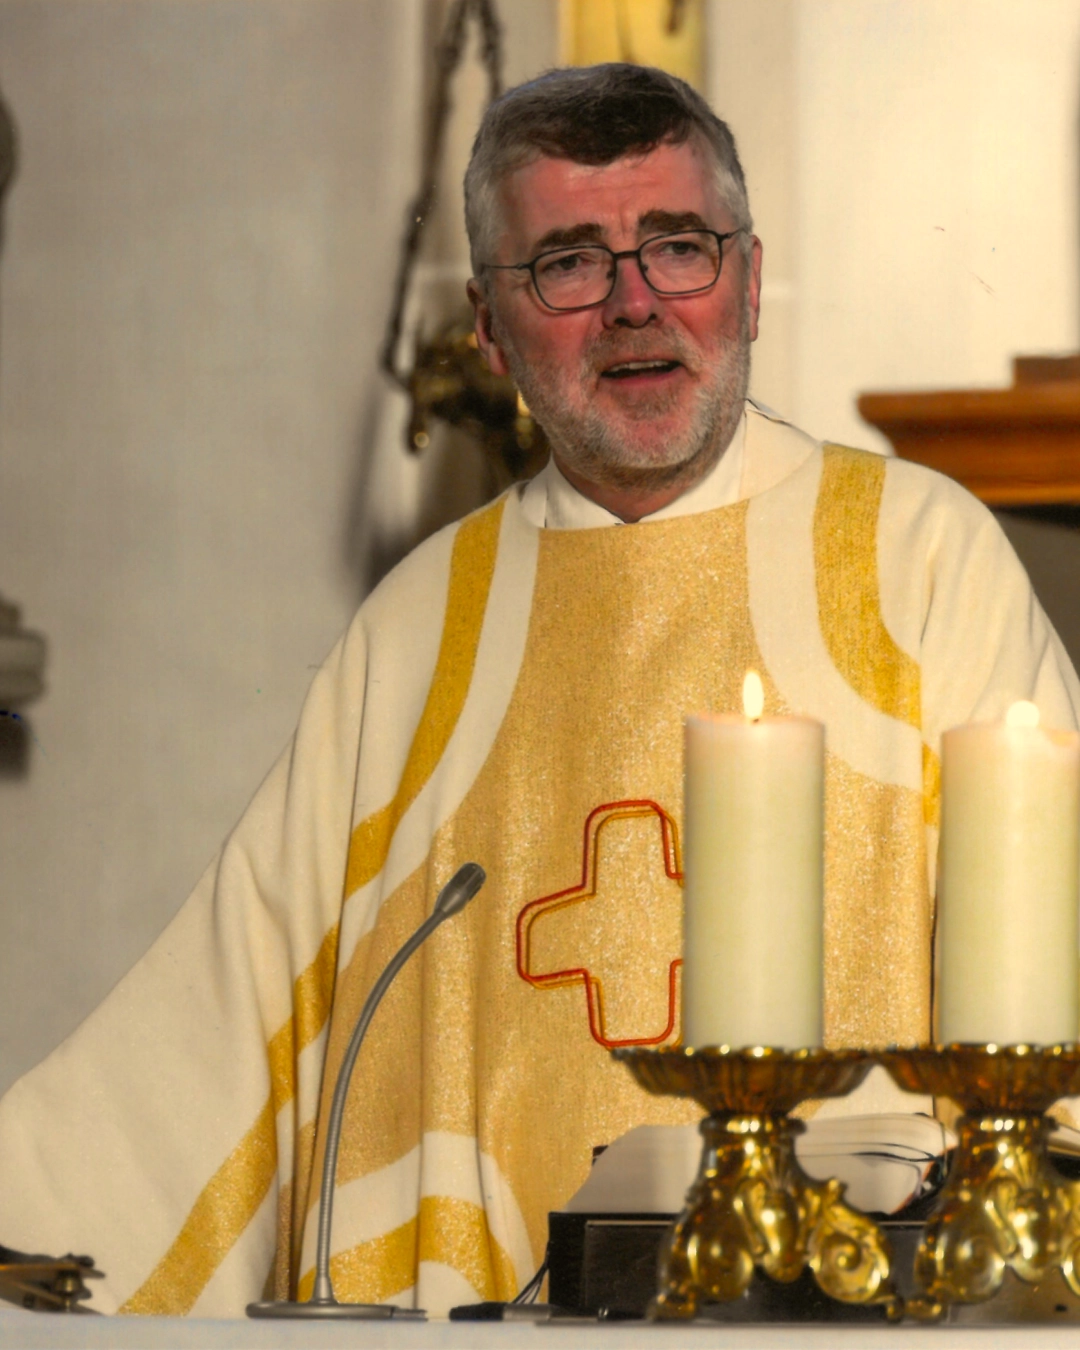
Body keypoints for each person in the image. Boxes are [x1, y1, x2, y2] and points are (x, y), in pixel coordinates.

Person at [0, 63, 1077, 1319]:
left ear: (750, 281)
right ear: (488, 325)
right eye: (568, 263)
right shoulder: (418, 629)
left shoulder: (915, 559)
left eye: (678, 246)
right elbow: (230, 1018)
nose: (634, 304)